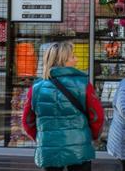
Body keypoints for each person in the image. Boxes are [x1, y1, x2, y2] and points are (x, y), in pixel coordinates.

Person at [22, 42, 103, 171]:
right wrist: (90, 136)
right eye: (73, 56)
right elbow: (96, 116)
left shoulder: (36, 88)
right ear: (62, 60)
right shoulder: (83, 84)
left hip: (48, 146)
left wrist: (41, 137)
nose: (76, 59)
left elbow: (27, 121)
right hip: (79, 146)